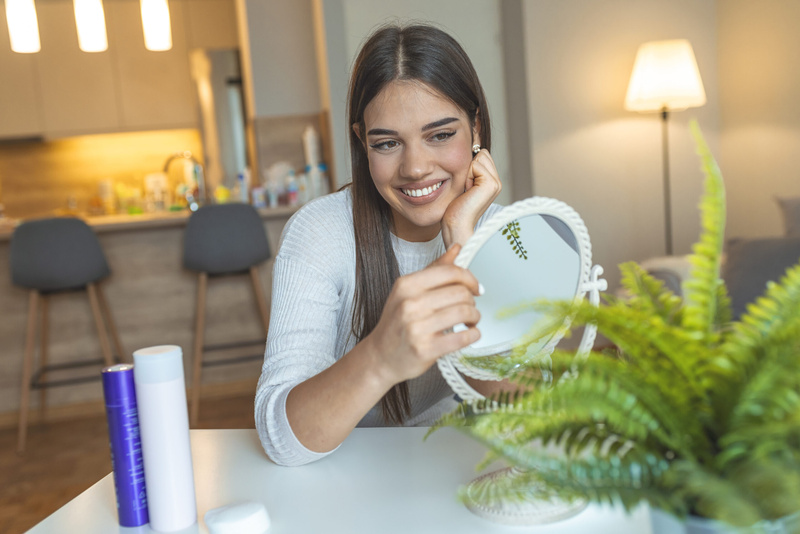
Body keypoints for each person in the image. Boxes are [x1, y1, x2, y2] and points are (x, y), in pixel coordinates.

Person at [255, 23, 507, 467]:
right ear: (362, 143)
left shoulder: (501, 230)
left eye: (441, 135)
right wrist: (381, 358)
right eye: (388, 143)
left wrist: (465, 246)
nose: (415, 167)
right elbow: (282, 440)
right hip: (338, 470)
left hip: (447, 463)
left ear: (476, 129)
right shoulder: (319, 233)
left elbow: (524, 414)